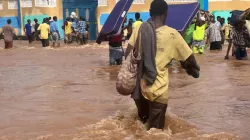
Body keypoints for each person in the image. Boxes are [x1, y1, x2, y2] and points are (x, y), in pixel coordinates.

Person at [125, 0, 200, 130]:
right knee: (156, 132)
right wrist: (194, 69)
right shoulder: (172, 34)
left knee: (141, 128)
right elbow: (190, 59)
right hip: (158, 90)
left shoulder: (140, 29)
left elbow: (127, 54)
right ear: (166, 14)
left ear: (149, 13)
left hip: (139, 89)